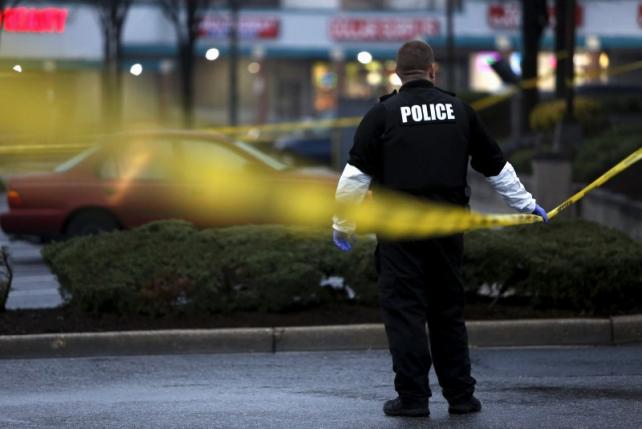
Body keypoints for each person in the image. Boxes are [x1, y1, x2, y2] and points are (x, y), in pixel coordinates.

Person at [332, 40, 548, 418]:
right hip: (448, 232)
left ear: (398, 74)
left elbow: (355, 177)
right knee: (447, 313)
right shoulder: (460, 111)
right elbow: (495, 166)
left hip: (400, 235)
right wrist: (526, 204)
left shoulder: (382, 116)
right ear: (433, 72)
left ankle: (413, 399)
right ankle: (461, 397)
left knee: (406, 315)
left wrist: (343, 226)